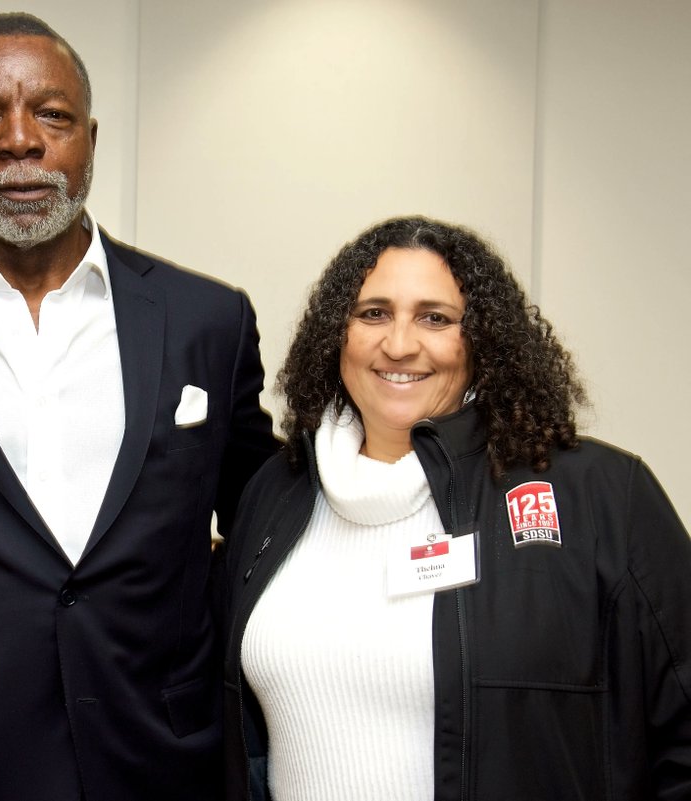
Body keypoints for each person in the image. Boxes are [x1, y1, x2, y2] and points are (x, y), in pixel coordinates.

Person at [0, 12, 278, 801]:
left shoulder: (206, 319)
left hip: (162, 755)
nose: (18, 141)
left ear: (91, 138)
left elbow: (263, 519)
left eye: (51, 114)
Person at [223, 215, 691, 800]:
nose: (399, 343)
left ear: (482, 342)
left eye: (434, 318)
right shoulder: (276, 492)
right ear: (335, 335)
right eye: (373, 313)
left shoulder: (600, 494)